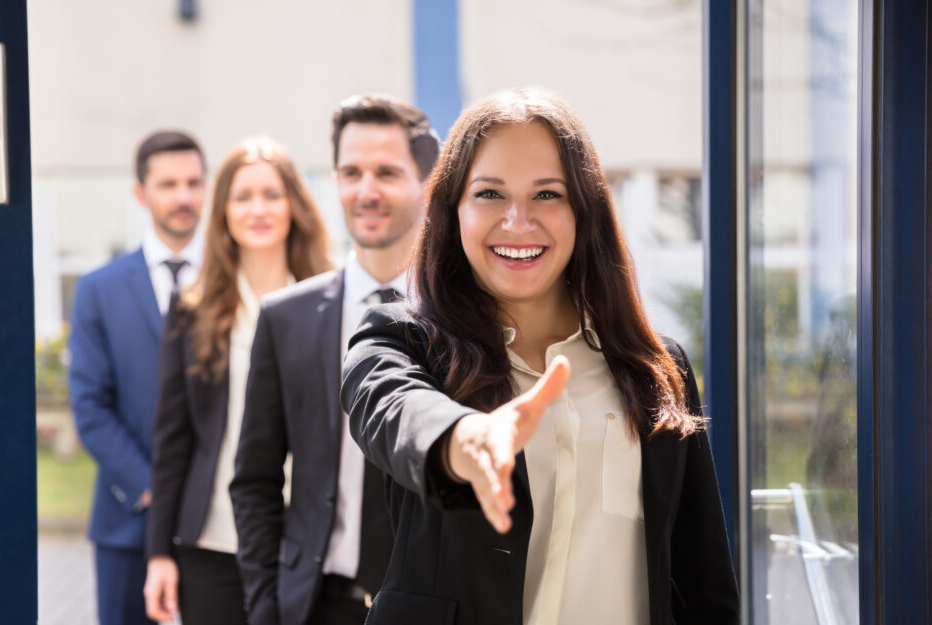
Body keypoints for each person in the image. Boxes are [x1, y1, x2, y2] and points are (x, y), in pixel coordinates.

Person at [340, 89, 739, 625]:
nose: (519, 221)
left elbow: (702, 582)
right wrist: (463, 438)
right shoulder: (399, 338)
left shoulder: (655, 367)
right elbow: (392, 406)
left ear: (584, 210)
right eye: (490, 194)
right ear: (452, 209)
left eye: (548, 194)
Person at [229, 94, 439, 625]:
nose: (366, 191)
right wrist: (264, 604)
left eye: (387, 172)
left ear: (426, 183)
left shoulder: (464, 322)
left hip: (432, 607)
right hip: (313, 606)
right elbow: (255, 479)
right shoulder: (285, 318)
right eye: (351, 172)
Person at [143, 137, 333, 624]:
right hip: (213, 541)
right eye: (242, 196)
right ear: (223, 211)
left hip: (310, 540)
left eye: (271, 194)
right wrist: (159, 552)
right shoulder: (193, 308)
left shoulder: (333, 304)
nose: (258, 209)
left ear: (294, 204)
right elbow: (172, 436)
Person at [69, 130, 206, 625]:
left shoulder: (231, 285)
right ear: (141, 193)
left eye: (193, 182)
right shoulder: (98, 290)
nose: (184, 196)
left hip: (219, 527)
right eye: (169, 184)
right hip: (127, 523)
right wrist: (156, 491)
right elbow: (90, 407)